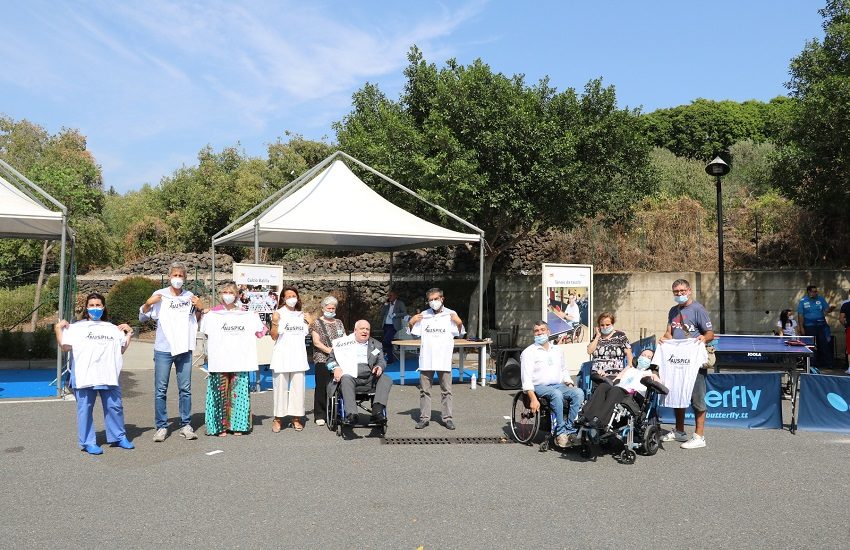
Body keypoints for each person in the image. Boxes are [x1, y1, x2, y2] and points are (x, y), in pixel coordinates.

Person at [55, 293, 135, 455]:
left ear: (104, 307)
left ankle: (119, 437)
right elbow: (65, 347)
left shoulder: (112, 328)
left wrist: (128, 334)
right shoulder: (77, 328)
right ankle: (87, 442)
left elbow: (120, 350)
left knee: (115, 407)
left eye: (98, 305)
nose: (95, 308)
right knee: (85, 409)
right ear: (86, 307)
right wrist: (58, 329)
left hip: (108, 375)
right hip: (85, 375)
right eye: (91, 305)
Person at [139, 261, 204, 442]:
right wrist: (148, 303)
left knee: (186, 389)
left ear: (185, 278)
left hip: (184, 348)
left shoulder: (190, 296)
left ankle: (186, 424)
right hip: (164, 349)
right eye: (174, 275)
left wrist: (200, 306)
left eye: (180, 275)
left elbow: (197, 319)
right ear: (169, 277)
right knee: (161, 389)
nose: (177, 278)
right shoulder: (160, 295)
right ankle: (161, 426)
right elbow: (142, 316)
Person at [200, 282, 267, 437]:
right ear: (220, 294)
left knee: (239, 393)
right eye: (224, 291)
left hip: (240, 360)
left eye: (230, 292)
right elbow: (206, 332)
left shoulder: (245, 314)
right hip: (220, 360)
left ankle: (239, 424)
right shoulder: (213, 314)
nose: (227, 294)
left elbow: (260, 332)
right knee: (218, 392)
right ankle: (218, 426)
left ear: (236, 294)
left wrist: (257, 319)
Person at [658, 278, 714, 450]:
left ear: (689, 291)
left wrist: (703, 338)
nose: (680, 294)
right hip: (676, 361)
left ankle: (699, 436)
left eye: (682, 291)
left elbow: (710, 333)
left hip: (693, 361)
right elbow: (670, 333)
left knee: (697, 398)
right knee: (678, 396)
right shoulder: (673, 310)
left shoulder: (698, 309)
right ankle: (680, 431)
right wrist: (663, 340)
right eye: (676, 292)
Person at [519, 320, 584, 448]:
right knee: (556, 394)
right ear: (534, 334)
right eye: (537, 331)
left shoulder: (557, 350)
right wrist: (532, 399)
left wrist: (569, 383)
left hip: (558, 385)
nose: (540, 333)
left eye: (542, 330)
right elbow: (526, 378)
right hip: (539, 386)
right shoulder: (528, 352)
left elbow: (564, 369)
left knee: (578, 392)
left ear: (548, 332)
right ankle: (560, 433)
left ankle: (570, 429)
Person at [408, 288, 464, 430]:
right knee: (424, 390)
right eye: (430, 300)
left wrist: (459, 323)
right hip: (427, 358)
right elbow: (414, 334)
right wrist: (411, 322)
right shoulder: (423, 315)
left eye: (436, 299)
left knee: (447, 390)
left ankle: (447, 418)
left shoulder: (451, 314)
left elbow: (460, 334)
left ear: (442, 299)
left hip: (444, 358)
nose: (433, 302)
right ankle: (424, 418)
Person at [327, 320, 392, 426]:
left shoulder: (376, 344)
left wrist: (379, 367)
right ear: (355, 330)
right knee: (346, 378)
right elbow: (330, 360)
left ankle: (377, 411)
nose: (365, 331)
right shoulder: (341, 344)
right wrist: (335, 368)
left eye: (367, 329)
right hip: (350, 377)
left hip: (370, 377)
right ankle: (352, 414)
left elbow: (382, 360)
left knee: (386, 379)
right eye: (362, 329)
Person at [576, 349, 661, 430]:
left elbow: (659, 384)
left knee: (615, 390)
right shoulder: (630, 369)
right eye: (643, 355)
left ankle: (601, 420)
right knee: (603, 386)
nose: (644, 358)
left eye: (648, 357)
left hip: (633, 397)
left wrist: (653, 376)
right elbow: (614, 382)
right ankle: (585, 416)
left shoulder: (650, 373)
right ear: (639, 357)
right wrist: (604, 376)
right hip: (618, 390)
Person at [269, 286, 313, 432]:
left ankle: (296, 418)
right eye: (288, 296)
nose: (291, 298)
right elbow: (274, 336)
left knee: (298, 389)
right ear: (283, 299)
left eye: (294, 295)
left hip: (298, 357)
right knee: (280, 388)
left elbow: (309, 334)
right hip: (281, 357)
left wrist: (310, 323)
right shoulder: (278, 314)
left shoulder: (302, 316)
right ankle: (278, 419)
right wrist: (274, 322)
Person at [310, 295, 346, 426]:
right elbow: (316, 342)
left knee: (339, 384)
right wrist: (331, 351)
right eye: (328, 308)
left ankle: (336, 410)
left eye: (333, 308)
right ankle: (319, 414)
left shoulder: (339, 323)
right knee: (321, 386)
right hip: (322, 358)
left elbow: (344, 338)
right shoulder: (316, 323)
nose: (331, 310)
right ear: (323, 308)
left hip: (338, 359)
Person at [797, 285, 835, 370]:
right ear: (809, 292)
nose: (815, 293)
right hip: (809, 326)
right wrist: (801, 327)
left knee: (824, 344)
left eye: (816, 291)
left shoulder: (820, 299)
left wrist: (831, 309)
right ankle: (812, 365)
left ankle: (829, 364)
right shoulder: (803, 301)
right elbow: (800, 315)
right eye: (813, 291)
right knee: (811, 346)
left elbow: (826, 310)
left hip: (821, 326)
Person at [586, 312, 633, 377]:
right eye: (602, 325)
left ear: (612, 324)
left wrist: (629, 368)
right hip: (597, 374)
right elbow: (589, 351)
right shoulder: (596, 337)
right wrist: (597, 336)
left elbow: (628, 352)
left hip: (615, 374)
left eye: (607, 325)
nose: (605, 327)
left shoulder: (620, 335)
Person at [378, 290, 406, 363]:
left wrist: (395, 315)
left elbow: (404, 313)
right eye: (388, 296)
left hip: (394, 325)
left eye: (391, 295)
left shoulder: (400, 303)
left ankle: (387, 355)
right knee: (388, 341)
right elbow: (381, 313)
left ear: (395, 296)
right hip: (386, 325)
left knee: (386, 340)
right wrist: (385, 305)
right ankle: (390, 358)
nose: (389, 297)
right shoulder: (387, 304)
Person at [839, 297, 850, 374]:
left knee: (849, 349)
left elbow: (841, 319)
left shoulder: (845, 305)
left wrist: (846, 325)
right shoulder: (845, 305)